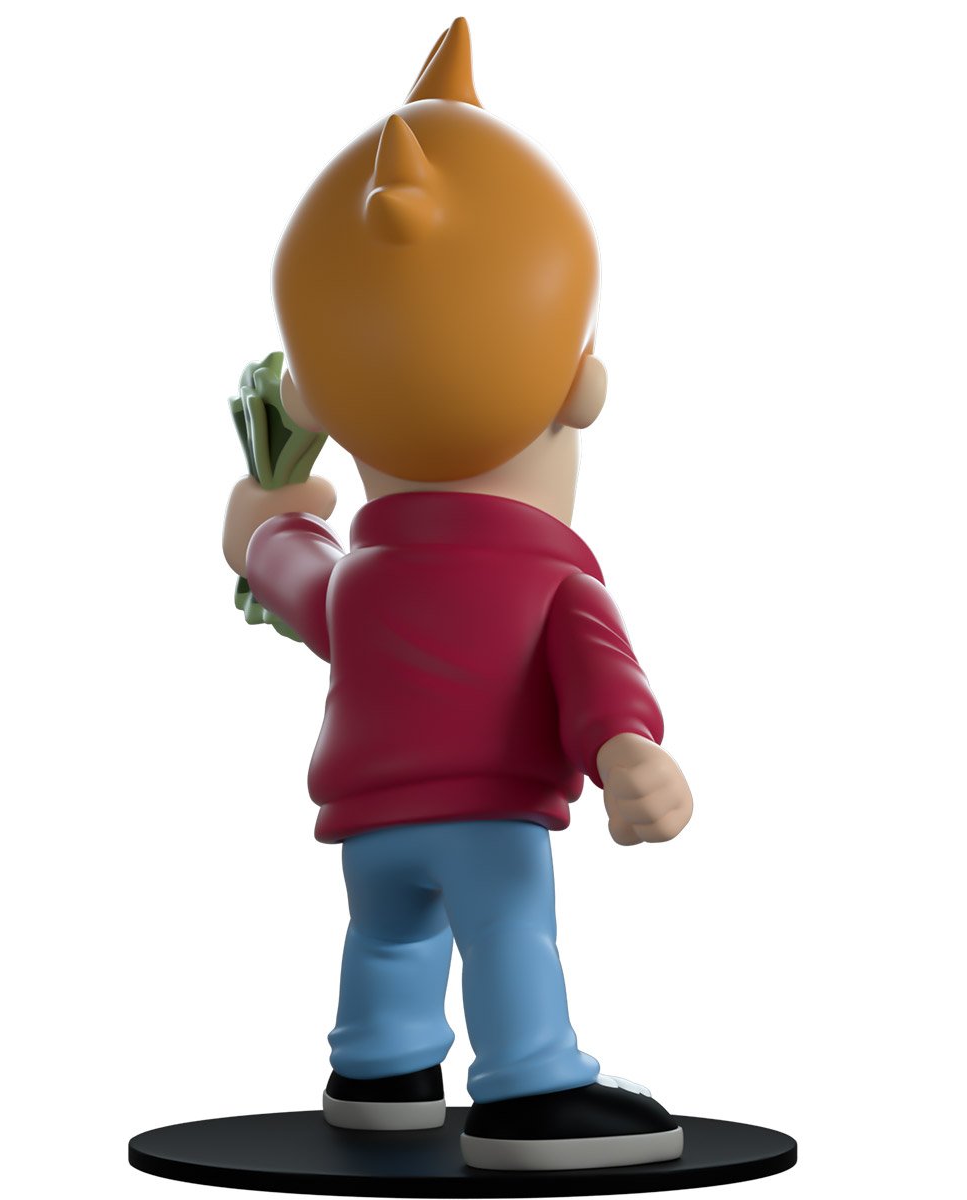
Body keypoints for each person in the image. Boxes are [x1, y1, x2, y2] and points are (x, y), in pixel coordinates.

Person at [223, 17, 693, 1172]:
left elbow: (295, 582)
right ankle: (531, 1088)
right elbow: (598, 682)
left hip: (370, 821)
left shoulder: (367, 577)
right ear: (580, 387)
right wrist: (629, 752)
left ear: (316, 397)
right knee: (510, 935)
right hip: (490, 818)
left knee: (388, 941)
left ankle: (378, 1074)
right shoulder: (552, 578)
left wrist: (266, 524)